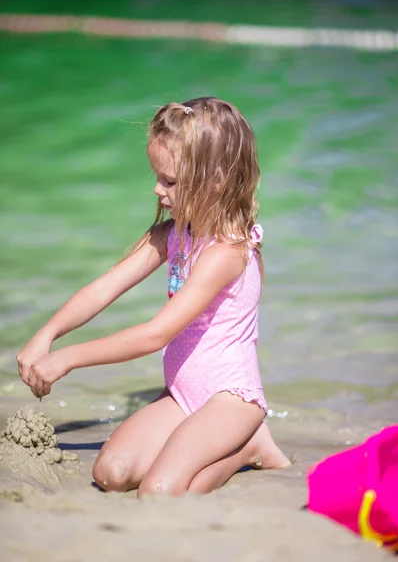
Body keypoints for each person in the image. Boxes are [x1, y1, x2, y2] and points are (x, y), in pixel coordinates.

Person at [16, 97, 290, 496]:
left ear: (215, 181)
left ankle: (248, 445)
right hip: (182, 395)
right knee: (111, 474)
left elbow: (154, 335)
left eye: (170, 181)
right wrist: (48, 333)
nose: (157, 189)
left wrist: (68, 358)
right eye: (157, 177)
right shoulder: (172, 235)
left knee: (159, 492)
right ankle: (217, 444)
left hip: (230, 402)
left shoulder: (227, 253)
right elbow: (104, 287)